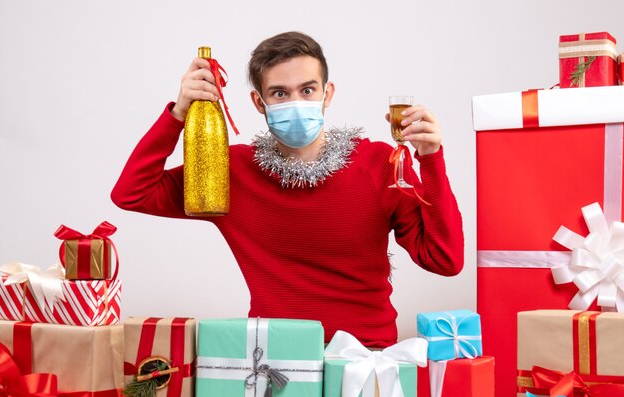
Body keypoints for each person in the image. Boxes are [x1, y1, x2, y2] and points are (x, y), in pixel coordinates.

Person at [111, 31, 464, 348]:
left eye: (307, 90)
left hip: (365, 359)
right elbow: (132, 193)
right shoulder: (231, 170)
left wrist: (430, 159)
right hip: (273, 362)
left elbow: (445, 260)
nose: (296, 101)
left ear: (328, 95)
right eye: (280, 93)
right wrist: (178, 113)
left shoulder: (378, 164)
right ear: (258, 102)